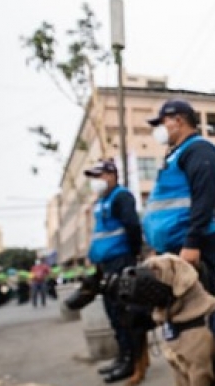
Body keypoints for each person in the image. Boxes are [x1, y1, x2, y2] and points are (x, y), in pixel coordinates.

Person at [144, 98, 215, 298]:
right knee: (177, 310)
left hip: (189, 244)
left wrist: (192, 243)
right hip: (172, 246)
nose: (159, 129)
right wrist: (157, 247)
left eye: (162, 123)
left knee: (198, 307)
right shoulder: (175, 154)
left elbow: (203, 198)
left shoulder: (198, 150)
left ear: (178, 120)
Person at [80, 159, 144, 383]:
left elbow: (133, 226)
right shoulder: (101, 201)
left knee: (124, 314)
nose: (95, 182)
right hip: (105, 264)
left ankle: (131, 361)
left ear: (111, 175)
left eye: (99, 176)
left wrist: (134, 254)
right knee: (113, 315)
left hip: (121, 261)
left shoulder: (121, 197)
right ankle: (122, 356)